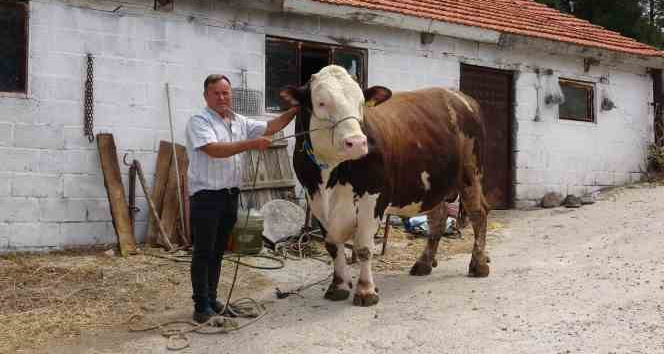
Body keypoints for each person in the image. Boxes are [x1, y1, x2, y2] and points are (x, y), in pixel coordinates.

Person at [185, 74, 299, 323]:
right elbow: (213, 150)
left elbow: (271, 126)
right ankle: (200, 305)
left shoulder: (238, 121)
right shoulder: (199, 122)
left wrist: (296, 109)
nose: (222, 97)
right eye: (216, 93)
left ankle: (212, 299)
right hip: (206, 197)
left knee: (217, 251)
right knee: (203, 252)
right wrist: (250, 144)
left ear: (231, 95)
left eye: (226, 93)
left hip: (229, 195)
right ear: (206, 96)